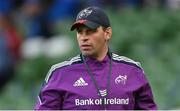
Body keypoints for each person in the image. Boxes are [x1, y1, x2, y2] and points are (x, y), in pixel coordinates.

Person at [34, 6, 157, 110]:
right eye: (80, 32)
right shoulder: (59, 73)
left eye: (90, 31)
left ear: (107, 33)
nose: (83, 37)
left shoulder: (132, 70)